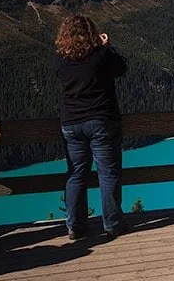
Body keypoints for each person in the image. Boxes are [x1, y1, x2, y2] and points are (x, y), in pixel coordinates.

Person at [54, 15, 129, 240]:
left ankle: (75, 225)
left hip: (71, 123)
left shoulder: (59, 58)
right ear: (91, 33)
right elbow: (121, 69)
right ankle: (113, 224)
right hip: (101, 120)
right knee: (108, 173)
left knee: (76, 173)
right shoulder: (101, 54)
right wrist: (107, 46)